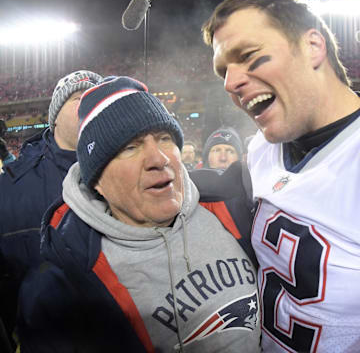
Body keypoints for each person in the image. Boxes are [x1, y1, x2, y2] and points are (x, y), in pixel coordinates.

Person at [17, 76, 260, 353]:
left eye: (164, 138)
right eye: (129, 148)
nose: (159, 159)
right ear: (97, 180)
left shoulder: (230, 201)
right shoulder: (65, 284)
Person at [197, 0, 360, 352]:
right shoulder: (261, 149)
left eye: (250, 56)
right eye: (224, 71)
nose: (229, 83)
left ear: (313, 46)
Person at [0, 70, 103, 350]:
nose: (89, 106)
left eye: (97, 101)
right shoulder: (10, 188)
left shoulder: (130, 174)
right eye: (79, 98)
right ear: (55, 116)